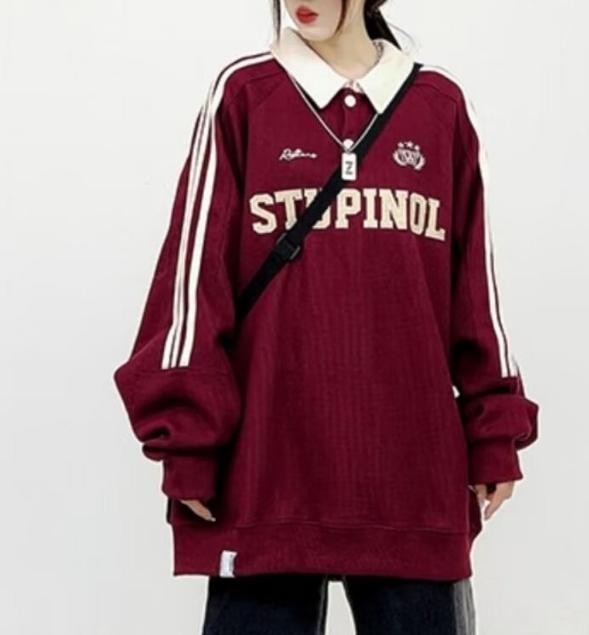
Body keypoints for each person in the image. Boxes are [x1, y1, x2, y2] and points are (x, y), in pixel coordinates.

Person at [113, 0, 540, 632]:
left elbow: (473, 291)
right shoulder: (244, 96)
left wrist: (493, 428)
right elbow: (192, 281)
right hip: (266, 470)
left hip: (412, 474)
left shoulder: (439, 107)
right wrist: (188, 441)